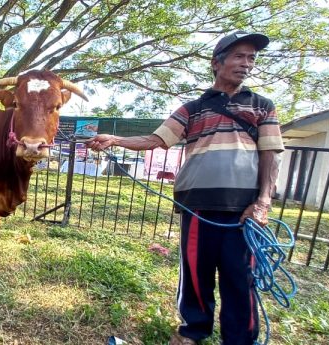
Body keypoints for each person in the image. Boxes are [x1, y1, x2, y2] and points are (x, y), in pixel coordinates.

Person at [86, 31, 284, 345]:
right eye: (238, 56)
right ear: (217, 63)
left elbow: (270, 154)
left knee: (240, 278)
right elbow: (155, 140)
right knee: (195, 274)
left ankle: (240, 340)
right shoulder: (192, 109)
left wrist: (262, 202)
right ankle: (193, 332)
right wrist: (115, 140)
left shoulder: (262, 106)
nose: (246, 64)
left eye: (251, 58)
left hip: (243, 210)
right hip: (198, 205)